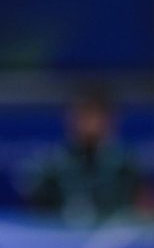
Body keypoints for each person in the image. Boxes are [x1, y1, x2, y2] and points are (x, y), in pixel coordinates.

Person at [23, 85, 142, 223]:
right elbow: (35, 217)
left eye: (96, 115)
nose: (90, 123)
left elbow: (137, 213)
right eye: (84, 115)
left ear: (110, 120)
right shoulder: (49, 168)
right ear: (71, 119)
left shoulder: (126, 167)